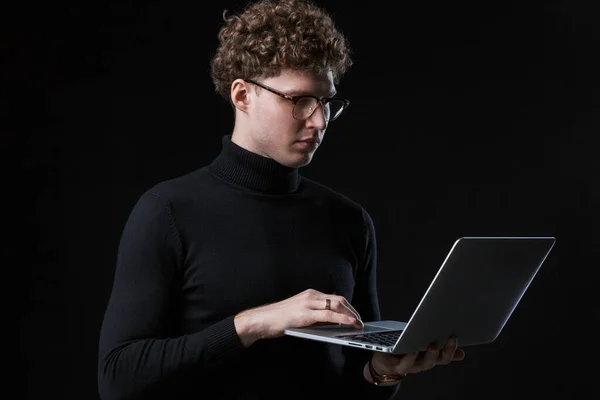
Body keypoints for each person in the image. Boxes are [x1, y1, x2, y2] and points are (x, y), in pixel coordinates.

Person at [97, 0, 465, 399]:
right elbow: (118, 379)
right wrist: (255, 323)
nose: (320, 121)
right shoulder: (167, 211)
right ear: (242, 96)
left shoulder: (348, 221)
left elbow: (349, 387)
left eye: (326, 102)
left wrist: (381, 372)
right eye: (299, 100)